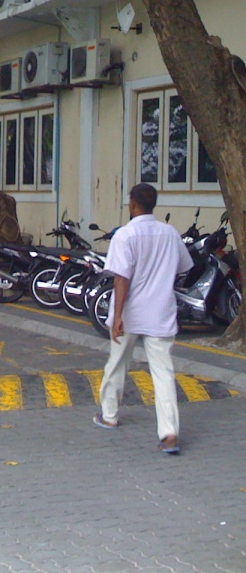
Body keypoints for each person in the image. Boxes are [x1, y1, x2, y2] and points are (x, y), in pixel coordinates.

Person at [92, 183, 193, 455]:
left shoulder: (125, 235)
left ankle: (109, 416)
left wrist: (117, 316)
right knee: (163, 373)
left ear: (133, 204)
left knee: (117, 363)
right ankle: (169, 433)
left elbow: (121, 279)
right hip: (161, 312)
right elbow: (183, 268)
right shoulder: (170, 233)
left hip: (130, 313)